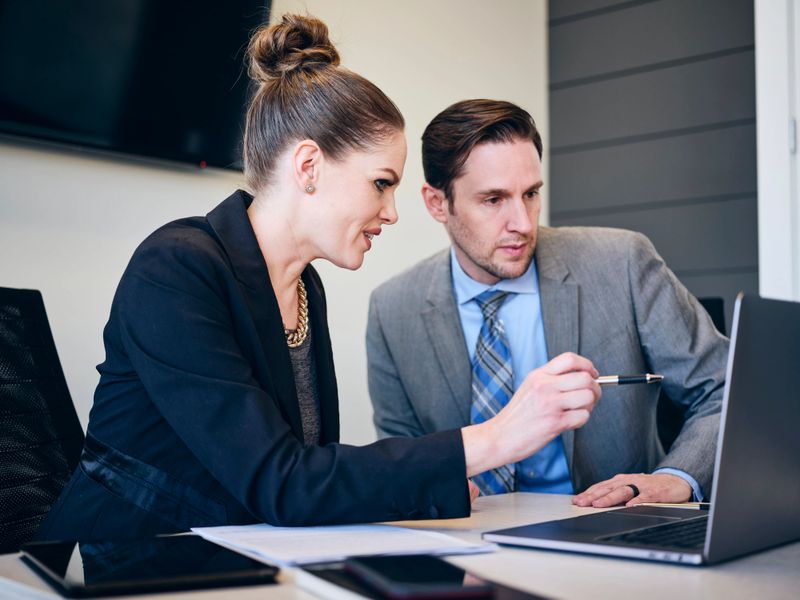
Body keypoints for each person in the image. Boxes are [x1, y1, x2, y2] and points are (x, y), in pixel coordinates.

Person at [35, 17, 602, 541]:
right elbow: (282, 483)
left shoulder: (305, 287)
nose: (392, 211)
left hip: (239, 556)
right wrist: (493, 439)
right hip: (117, 561)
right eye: (382, 183)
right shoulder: (177, 269)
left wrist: (433, 483)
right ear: (308, 167)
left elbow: (308, 473)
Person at [367, 99, 728, 507]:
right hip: (469, 540)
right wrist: (425, 486)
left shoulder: (622, 263)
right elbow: (402, 458)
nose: (522, 222)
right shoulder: (392, 310)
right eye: (493, 200)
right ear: (437, 203)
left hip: (610, 532)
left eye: (531, 194)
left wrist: (677, 478)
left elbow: (723, 389)